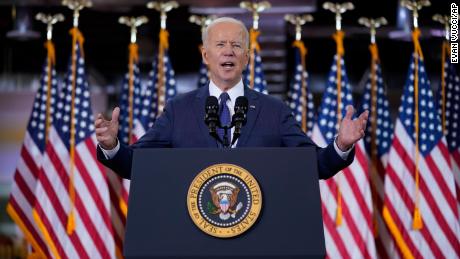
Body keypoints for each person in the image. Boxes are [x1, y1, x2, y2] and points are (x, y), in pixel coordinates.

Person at [95, 17, 368, 180]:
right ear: (205, 55)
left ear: (247, 58)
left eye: (237, 45)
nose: (229, 52)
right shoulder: (179, 110)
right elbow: (136, 165)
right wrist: (112, 146)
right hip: (194, 238)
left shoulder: (274, 111)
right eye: (220, 45)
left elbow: (315, 166)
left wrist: (341, 144)